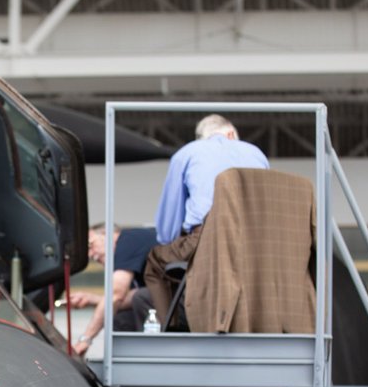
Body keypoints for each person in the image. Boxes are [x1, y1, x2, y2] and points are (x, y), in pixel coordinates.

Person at [143, 114, 270, 320]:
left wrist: (173, 241)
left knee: (156, 263)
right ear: (230, 133)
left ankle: (171, 330)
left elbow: (167, 226)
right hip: (255, 243)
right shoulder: (257, 154)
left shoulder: (188, 153)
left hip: (205, 239)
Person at [69, 223, 157, 355]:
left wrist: (85, 340)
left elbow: (116, 295)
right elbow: (130, 297)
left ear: (108, 234)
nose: (90, 255)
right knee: (121, 319)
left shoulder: (128, 239)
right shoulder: (134, 261)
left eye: (90, 245)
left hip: (186, 299)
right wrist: (92, 299)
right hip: (173, 301)